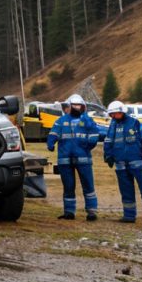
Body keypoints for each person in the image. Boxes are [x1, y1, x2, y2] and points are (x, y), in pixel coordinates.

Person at [103, 100, 142, 228]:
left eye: (116, 113)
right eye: (111, 114)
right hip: (121, 166)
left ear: (123, 112)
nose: (113, 116)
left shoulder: (138, 125)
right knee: (126, 192)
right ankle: (129, 216)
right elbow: (108, 142)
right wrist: (108, 155)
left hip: (140, 165)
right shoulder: (113, 128)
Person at [47, 93, 102, 221]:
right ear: (69, 106)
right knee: (68, 186)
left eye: (79, 106)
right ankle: (69, 212)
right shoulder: (61, 121)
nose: (77, 108)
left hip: (83, 159)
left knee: (88, 185)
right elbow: (53, 133)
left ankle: (92, 212)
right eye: (74, 106)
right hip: (65, 160)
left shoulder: (87, 121)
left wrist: (88, 145)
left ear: (83, 107)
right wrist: (50, 143)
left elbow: (94, 136)